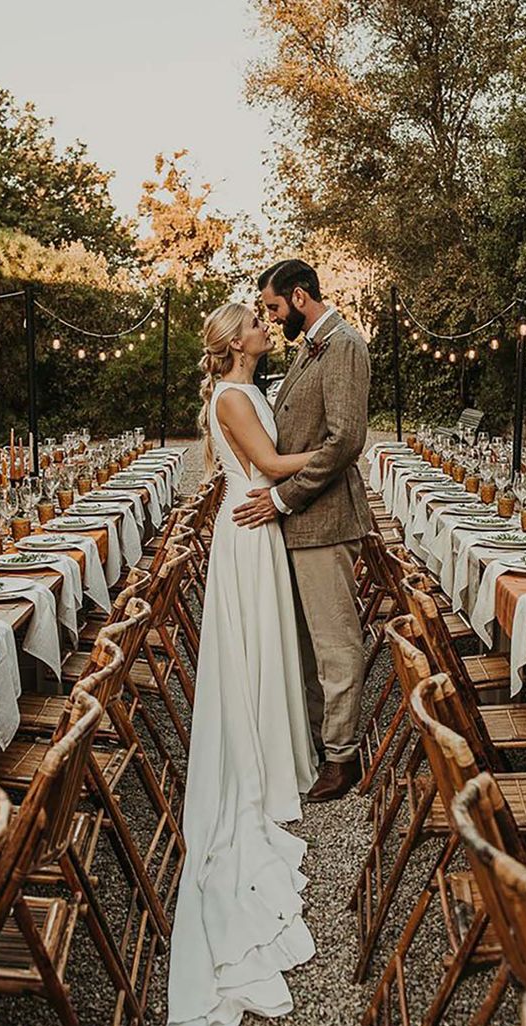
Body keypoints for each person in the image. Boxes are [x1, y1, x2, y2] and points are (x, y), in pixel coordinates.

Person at [167, 302, 319, 1026]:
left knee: (264, 646)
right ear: (233, 344)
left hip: (255, 523)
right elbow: (272, 464)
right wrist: (336, 452)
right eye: (255, 320)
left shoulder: (250, 387)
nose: (266, 324)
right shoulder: (233, 394)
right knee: (254, 643)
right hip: (247, 527)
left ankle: (270, 748)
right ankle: (257, 765)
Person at [233, 259, 371, 802]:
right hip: (299, 522)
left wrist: (282, 498)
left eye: (272, 308)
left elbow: (344, 441)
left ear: (299, 295)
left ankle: (342, 757)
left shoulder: (343, 346)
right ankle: (318, 741)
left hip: (326, 520)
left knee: (336, 643)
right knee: (308, 644)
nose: (269, 318)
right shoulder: (310, 346)